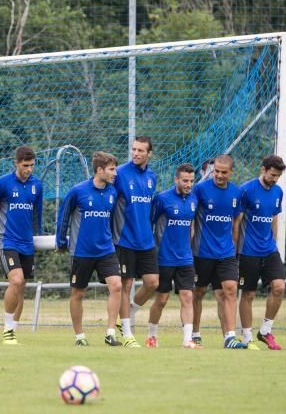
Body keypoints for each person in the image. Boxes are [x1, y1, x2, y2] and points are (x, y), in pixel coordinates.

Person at [56, 151, 124, 347]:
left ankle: (110, 333)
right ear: (99, 170)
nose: (115, 174)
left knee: (116, 286)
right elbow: (64, 216)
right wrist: (61, 241)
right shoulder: (78, 191)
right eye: (111, 169)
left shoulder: (113, 192)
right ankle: (79, 336)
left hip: (106, 250)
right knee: (78, 293)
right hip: (81, 251)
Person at [0, 146, 43, 345]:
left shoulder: (37, 185)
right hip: (7, 241)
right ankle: (7, 329)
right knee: (16, 281)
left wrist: (38, 235)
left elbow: (37, 215)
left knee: (21, 286)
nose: (29, 169)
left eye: (32, 165)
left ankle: (13, 331)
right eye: (25, 165)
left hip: (27, 243)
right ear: (16, 163)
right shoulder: (3, 183)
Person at [191, 154, 248, 349]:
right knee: (197, 293)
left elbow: (235, 224)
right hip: (202, 253)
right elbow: (191, 218)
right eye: (216, 171)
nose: (219, 175)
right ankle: (195, 333)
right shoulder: (200, 190)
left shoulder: (236, 193)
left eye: (224, 172)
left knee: (229, 291)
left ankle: (230, 337)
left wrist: (233, 249)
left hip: (226, 254)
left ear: (231, 172)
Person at [237, 155, 286, 350]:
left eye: (278, 176)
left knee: (279, 287)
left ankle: (265, 330)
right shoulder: (246, 190)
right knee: (248, 294)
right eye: (272, 174)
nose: (274, 179)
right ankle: (247, 336)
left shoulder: (278, 192)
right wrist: (235, 251)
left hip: (269, 250)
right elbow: (237, 222)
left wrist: (273, 242)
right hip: (248, 251)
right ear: (263, 169)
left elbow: (274, 218)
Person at [112, 136, 158, 348]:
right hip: (125, 239)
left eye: (141, 150)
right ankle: (127, 332)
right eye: (134, 149)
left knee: (152, 283)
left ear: (149, 154)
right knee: (126, 284)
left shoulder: (152, 177)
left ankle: (129, 312)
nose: (136, 153)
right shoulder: (120, 173)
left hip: (146, 240)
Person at [147, 164, 199, 348]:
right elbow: (149, 224)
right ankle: (152, 335)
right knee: (162, 299)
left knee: (187, 296)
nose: (188, 184)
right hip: (164, 258)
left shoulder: (194, 199)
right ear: (176, 179)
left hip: (185, 258)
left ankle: (187, 339)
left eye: (191, 181)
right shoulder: (162, 199)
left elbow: (191, 225)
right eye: (185, 181)